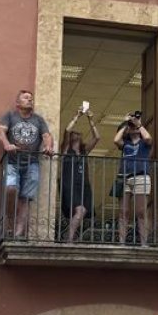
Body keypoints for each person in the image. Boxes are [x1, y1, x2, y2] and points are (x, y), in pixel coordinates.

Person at [0, 89, 54, 237]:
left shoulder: (38, 120)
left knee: (26, 198)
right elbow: (0, 131)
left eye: (31, 98)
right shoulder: (10, 116)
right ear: (18, 103)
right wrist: (6, 144)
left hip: (32, 162)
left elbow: (46, 135)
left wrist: (48, 147)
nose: (29, 100)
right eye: (26, 98)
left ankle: (19, 231)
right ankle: (10, 220)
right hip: (12, 161)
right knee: (11, 188)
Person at [59, 104, 100, 243]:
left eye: (78, 133)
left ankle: (69, 235)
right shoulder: (66, 149)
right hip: (69, 183)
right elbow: (67, 130)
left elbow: (97, 137)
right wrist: (77, 116)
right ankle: (69, 238)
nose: (76, 133)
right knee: (80, 210)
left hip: (83, 184)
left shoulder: (84, 151)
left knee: (81, 212)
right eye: (74, 133)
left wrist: (90, 119)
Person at [114, 111, 153, 245]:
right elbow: (116, 140)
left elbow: (148, 138)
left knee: (141, 212)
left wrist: (139, 124)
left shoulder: (144, 143)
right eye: (132, 126)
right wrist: (126, 123)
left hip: (141, 176)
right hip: (125, 177)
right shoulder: (125, 143)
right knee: (123, 212)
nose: (133, 127)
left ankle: (143, 243)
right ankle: (122, 242)